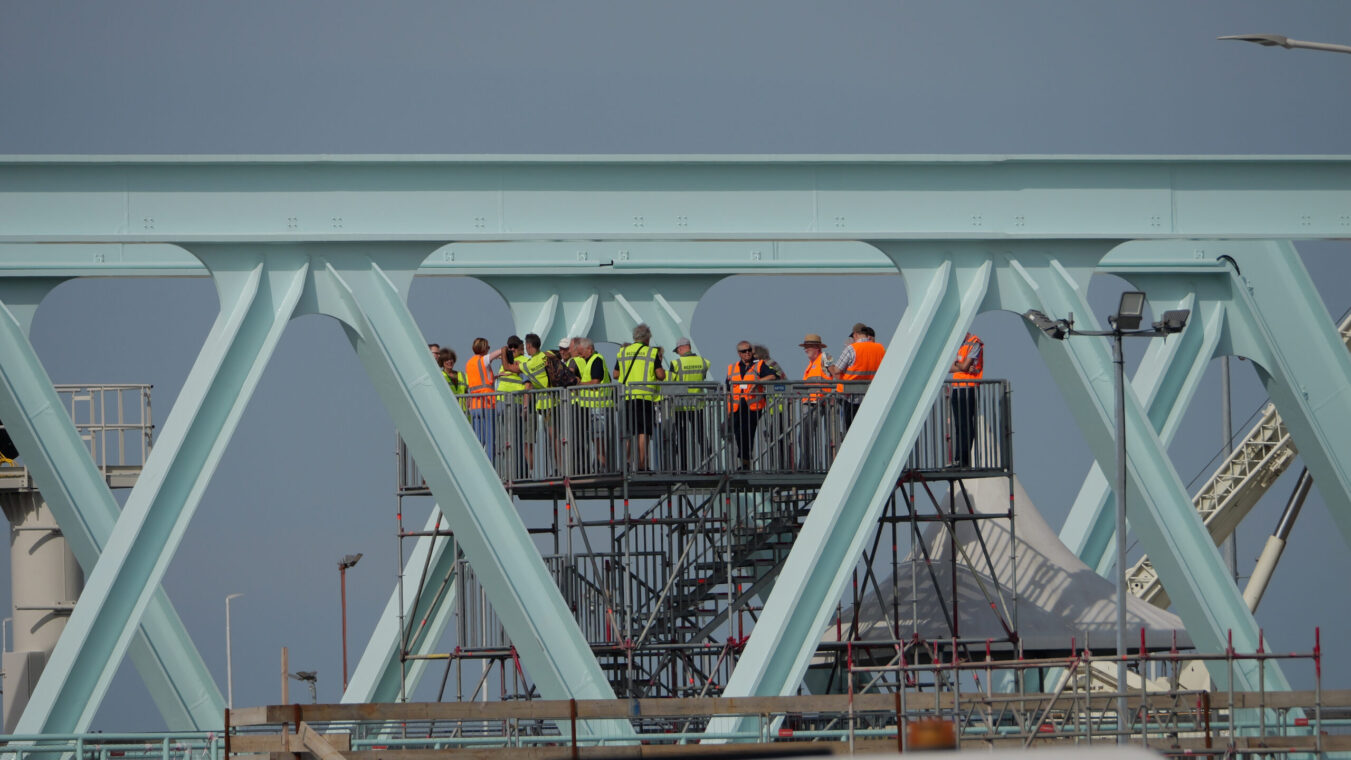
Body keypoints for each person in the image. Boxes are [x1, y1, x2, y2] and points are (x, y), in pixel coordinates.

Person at [613, 324, 665, 471]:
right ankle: (642, 464)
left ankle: (626, 463)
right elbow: (661, 375)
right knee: (643, 432)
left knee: (629, 431)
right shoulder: (651, 352)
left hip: (628, 396)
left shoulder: (623, 352)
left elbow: (615, 374)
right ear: (647, 338)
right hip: (644, 397)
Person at [726, 340, 775, 469]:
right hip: (736, 406)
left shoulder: (759, 365)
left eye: (749, 350)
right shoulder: (732, 368)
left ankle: (744, 460)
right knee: (738, 432)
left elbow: (772, 376)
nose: (747, 353)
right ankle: (744, 459)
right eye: (744, 351)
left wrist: (758, 381)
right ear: (739, 354)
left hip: (753, 406)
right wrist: (728, 411)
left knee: (747, 431)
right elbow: (727, 390)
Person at [829, 322, 885, 431]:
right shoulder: (880, 348)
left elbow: (836, 370)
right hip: (872, 396)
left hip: (852, 398)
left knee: (851, 431)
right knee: (869, 430)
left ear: (855, 335)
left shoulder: (851, 349)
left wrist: (830, 365)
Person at [520, 333, 562, 476]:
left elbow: (512, 368)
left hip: (547, 405)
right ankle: (557, 468)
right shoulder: (547, 355)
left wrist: (503, 353)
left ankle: (558, 468)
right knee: (554, 438)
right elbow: (559, 354)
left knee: (553, 438)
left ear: (529, 346)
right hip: (554, 401)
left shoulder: (530, 364)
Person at [668, 337, 711, 471]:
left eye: (678, 351)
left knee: (682, 437)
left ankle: (684, 467)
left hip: (681, 405)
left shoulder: (676, 364)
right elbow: (702, 377)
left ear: (681, 348)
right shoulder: (704, 362)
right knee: (701, 436)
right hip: (698, 404)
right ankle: (708, 464)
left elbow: (670, 384)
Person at [568, 337, 611, 472]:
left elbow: (595, 382)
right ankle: (599, 464)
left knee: (598, 437)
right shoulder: (589, 361)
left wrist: (580, 384)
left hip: (598, 404)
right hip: (591, 405)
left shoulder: (596, 360)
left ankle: (602, 466)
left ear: (589, 349)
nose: (580, 355)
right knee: (595, 436)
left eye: (581, 352)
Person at [797, 333, 835, 471]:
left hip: (819, 402)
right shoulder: (811, 364)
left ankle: (806, 466)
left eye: (808, 347)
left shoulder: (825, 357)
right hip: (812, 402)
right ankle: (806, 464)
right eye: (805, 347)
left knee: (806, 435)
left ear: (817, 347)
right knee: (804, 436)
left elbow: (835, 374)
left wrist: (831, 394)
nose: (805, 350)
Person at [465, 337, 505, 461]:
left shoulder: (469, 363)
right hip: (487, 404)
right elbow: (500, 351)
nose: (489, 349)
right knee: (490, 439)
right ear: (483, 348)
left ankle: (476, 466)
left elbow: (478, 380)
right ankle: (490, 469)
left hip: (474, 405)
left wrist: (495, 376)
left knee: (478, 440)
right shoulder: (483, 360)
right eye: (488, 347)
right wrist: (506, 352)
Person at [495, 335, 529, 479]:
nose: (512, 349)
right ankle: (505, 471)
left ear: (521, 349)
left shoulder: (524, 361)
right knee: (504, 439)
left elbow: (527, 384)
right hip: (502, 402)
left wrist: (526, 405)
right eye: (510, 346)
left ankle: (519, 472)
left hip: (515, 402)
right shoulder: (505, 361)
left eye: (515, 346)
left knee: (516, 438)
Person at [949, 332, 984, 468]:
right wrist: (961, 365)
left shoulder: (975, 343)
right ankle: (958, 459)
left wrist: (960, 365)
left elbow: (962, 367)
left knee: (966, 425)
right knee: (959, 426)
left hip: (969, 387)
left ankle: (964, 459)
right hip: (957, 388)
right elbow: (950, 367)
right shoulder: (961, 345)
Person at [752, 345, 789, 469]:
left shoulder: (769, 364)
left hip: (778, 404)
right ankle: (777, 465)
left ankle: (781, 466)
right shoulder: (766, 364)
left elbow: (776, 377)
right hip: (773, 405)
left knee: (778, 437)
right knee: (773, 437)